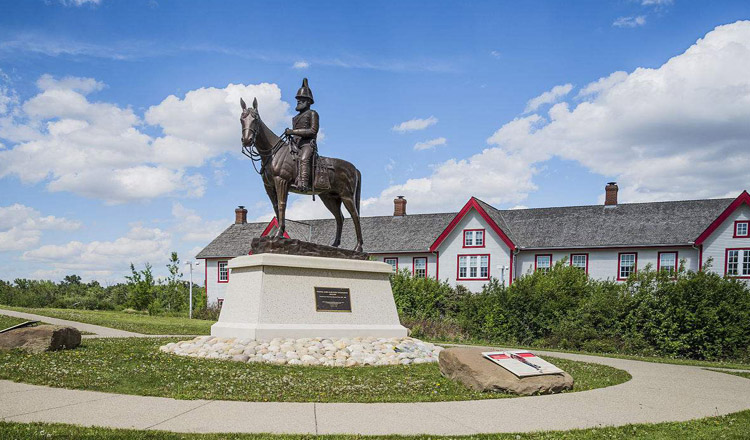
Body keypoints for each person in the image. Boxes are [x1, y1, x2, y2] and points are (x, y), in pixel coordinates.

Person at [284, 78, 319, 192]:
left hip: (307, 144)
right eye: (298, 99)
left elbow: (313, 130)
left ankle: (303, 183)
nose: (298, 101)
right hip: (295, 144)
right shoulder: (295, 118)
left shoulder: (313, 114)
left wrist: (293, 132)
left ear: (308, 101)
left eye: (301, 99)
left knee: (304, 158)